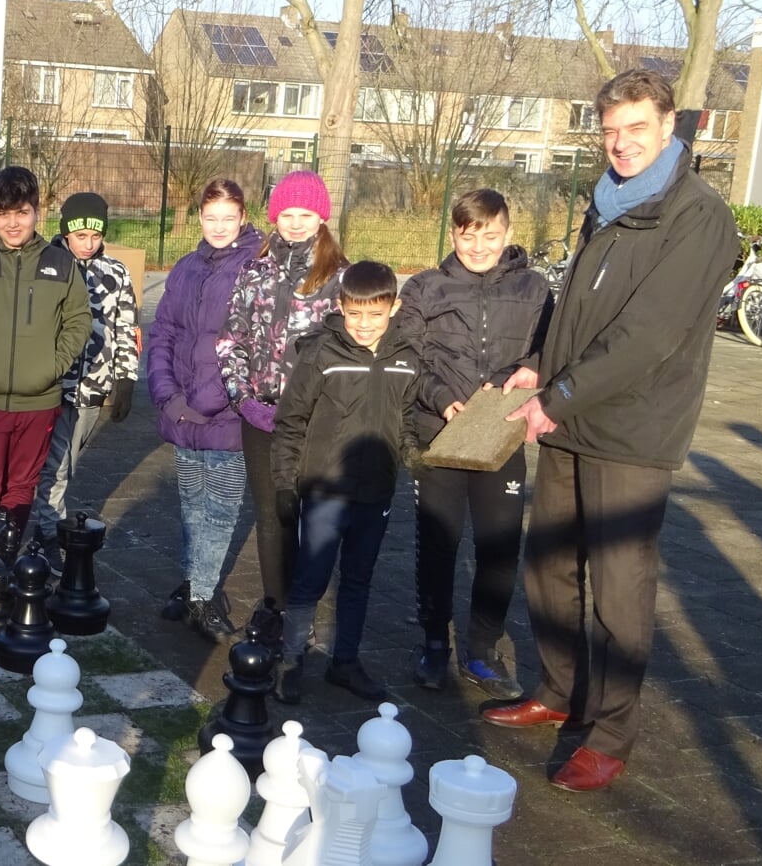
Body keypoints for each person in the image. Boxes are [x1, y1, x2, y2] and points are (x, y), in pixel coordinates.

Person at [485, 69, 736, 793]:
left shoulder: (695, 215)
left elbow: (649, 334)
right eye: (609, 131)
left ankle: (612, 729)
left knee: (620, 588)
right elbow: (575, 311)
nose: (620, 144)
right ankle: (558, 693)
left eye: (636, 130)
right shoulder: (609, 202)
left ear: (668, 129)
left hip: (632, 426)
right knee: (550, 568)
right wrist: (538, 366)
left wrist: (560, 396)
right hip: (568, 412)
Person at [399, 188, 552, 698]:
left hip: (501, 435)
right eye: (469, 235)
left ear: (508, 233)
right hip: (438, 432)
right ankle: (433, 646)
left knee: (498, 546)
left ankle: (482, 652)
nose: (479, 245)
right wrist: (442, 398)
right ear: (454, 234)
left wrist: (537, 367)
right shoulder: (425, 288)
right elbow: (406, 358)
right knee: (438, 544)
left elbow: (553, 347)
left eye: (490, 234)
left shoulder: (535, 290)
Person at [272, 261, 420, 704]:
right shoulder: (321, 354)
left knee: (359, 578)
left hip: (375, 492)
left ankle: (346, 661)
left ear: (394, 308)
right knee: (310, 579)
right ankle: (291, 659)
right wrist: (284, 483)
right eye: (355, 314)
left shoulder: (408, 358)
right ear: (341, 307)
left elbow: (406, 418)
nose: (364, 325)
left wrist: (412, 454)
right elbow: (290, 421)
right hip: (324, 489)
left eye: (375, 314)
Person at [0, 166, 91, 568]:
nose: (12, 223)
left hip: (38, 401)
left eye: (21, 212)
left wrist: (52, 367)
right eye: (4, 213)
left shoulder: (61, 264)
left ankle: (3, 561)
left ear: (37, 211)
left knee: (21, 487)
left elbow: (79, 321)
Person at [217, 170, 347, 632]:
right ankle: (274, 605)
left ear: (321, 218)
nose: (295, 223)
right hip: (260, 414)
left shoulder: (338, 276)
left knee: (308, 514)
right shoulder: (254, 270)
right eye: (287, 214)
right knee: (271, 514)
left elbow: (347, 350)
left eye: (305, 214)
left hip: (313, 419)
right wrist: (242, 398)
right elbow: (232, 338)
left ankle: (303, 610)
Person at [147, 178, 264, 642]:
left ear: (244, 217)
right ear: (199, 217)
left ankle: (202, 596)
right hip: (181, 410)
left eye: (228, 218)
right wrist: (168, 395)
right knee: (191, 506)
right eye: (210, 217)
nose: (219, 227)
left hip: (226, 414)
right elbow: (163, 333)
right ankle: (197, 585)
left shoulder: (255, 267)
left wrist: (212, 402)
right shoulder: (186, 268)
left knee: (219, 509)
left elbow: (253, 342)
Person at [28, 191, 140, 572]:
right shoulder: (47, 266)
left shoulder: (116, 273)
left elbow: (125, 327)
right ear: (66, 232)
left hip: (92, 386)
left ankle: (44, 521)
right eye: (80, 237)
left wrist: (125, 378)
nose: (88, 245)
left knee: (69, 463)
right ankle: (46, 533)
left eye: (95, 237)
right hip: (49, 385)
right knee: (54, 466)